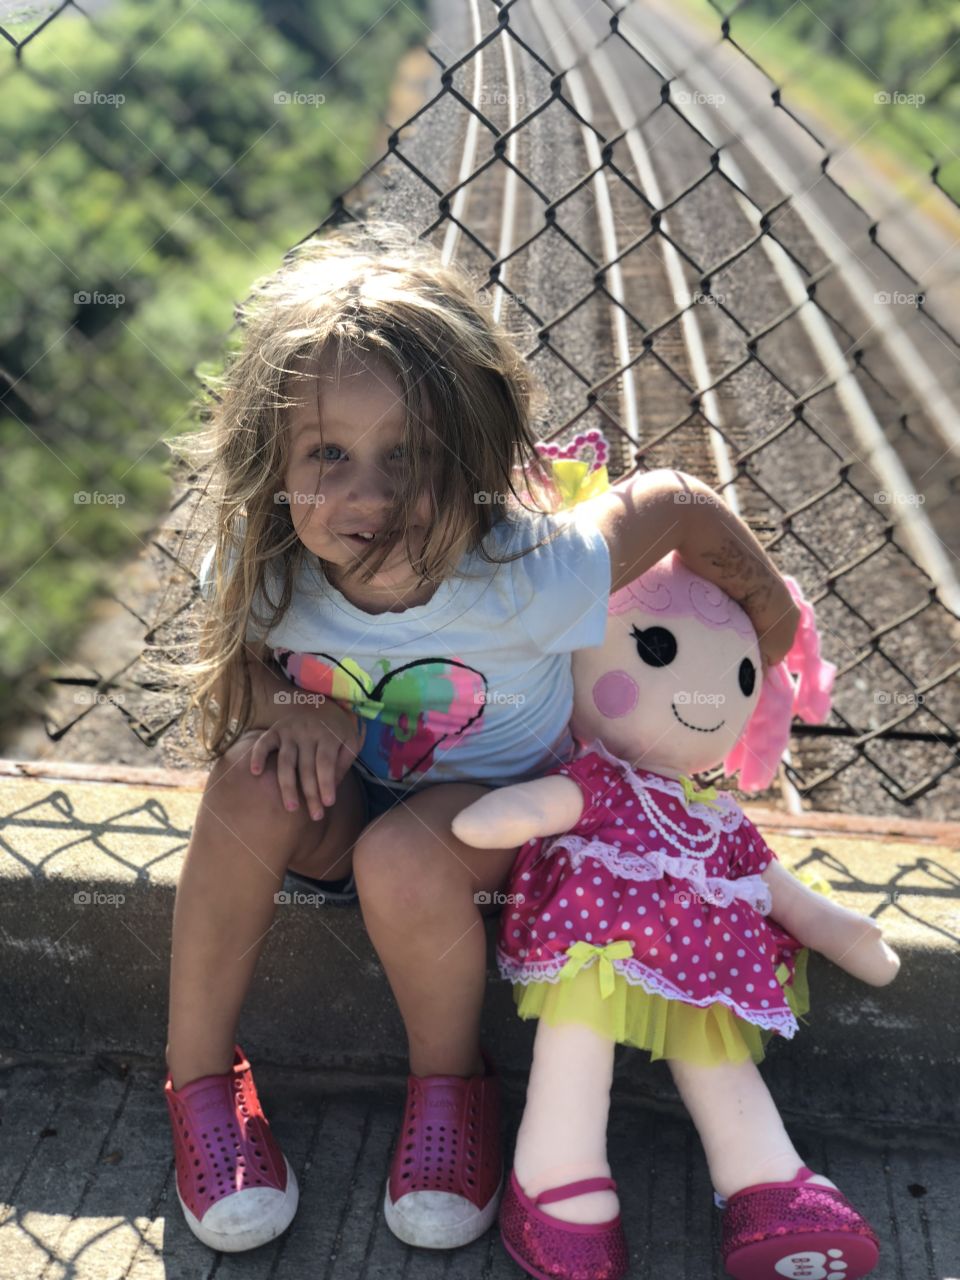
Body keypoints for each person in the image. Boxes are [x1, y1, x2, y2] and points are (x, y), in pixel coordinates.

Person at [161, 221, 801, 1255]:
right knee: (243, 785)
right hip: (350, 791)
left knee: (403, 856)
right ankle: (198, 1085)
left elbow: (672, 503)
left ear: (467, 451)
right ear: (271, 460)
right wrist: (286, 709)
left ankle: (452, 1087)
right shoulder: (272, 552)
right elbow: (235, 656)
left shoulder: (524, 571)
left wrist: (768, 618)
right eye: (328, 453)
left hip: (496, 823)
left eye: (406, 456)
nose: (367, 494)